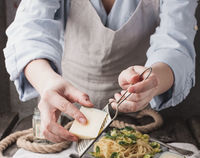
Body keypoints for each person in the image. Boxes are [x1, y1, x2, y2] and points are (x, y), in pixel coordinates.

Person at [4, 0, 197, 143]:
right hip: (63, 121)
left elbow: (176, 43)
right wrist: (47, 82)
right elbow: (29, 31)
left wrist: (152, 80)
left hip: (143, 123)